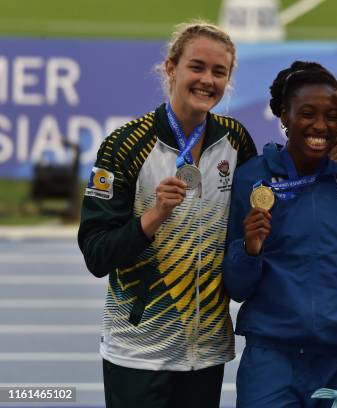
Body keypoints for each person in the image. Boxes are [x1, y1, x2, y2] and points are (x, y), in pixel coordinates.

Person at [77, 20, 256, 408]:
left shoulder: (236, 141)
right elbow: (96, 254)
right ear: (170, 68)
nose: (207, 80)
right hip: (139, 349)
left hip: (207, 350)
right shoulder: (125, 146)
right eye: (197, 67)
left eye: (218, 72)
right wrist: (153, 216)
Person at [223, 61, 337, 407]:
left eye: (332, 115)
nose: (321, 125)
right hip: (272, 359)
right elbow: (237, 287)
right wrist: (249, 249)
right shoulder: (251, 178)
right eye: (307, 113)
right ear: (284, 117)